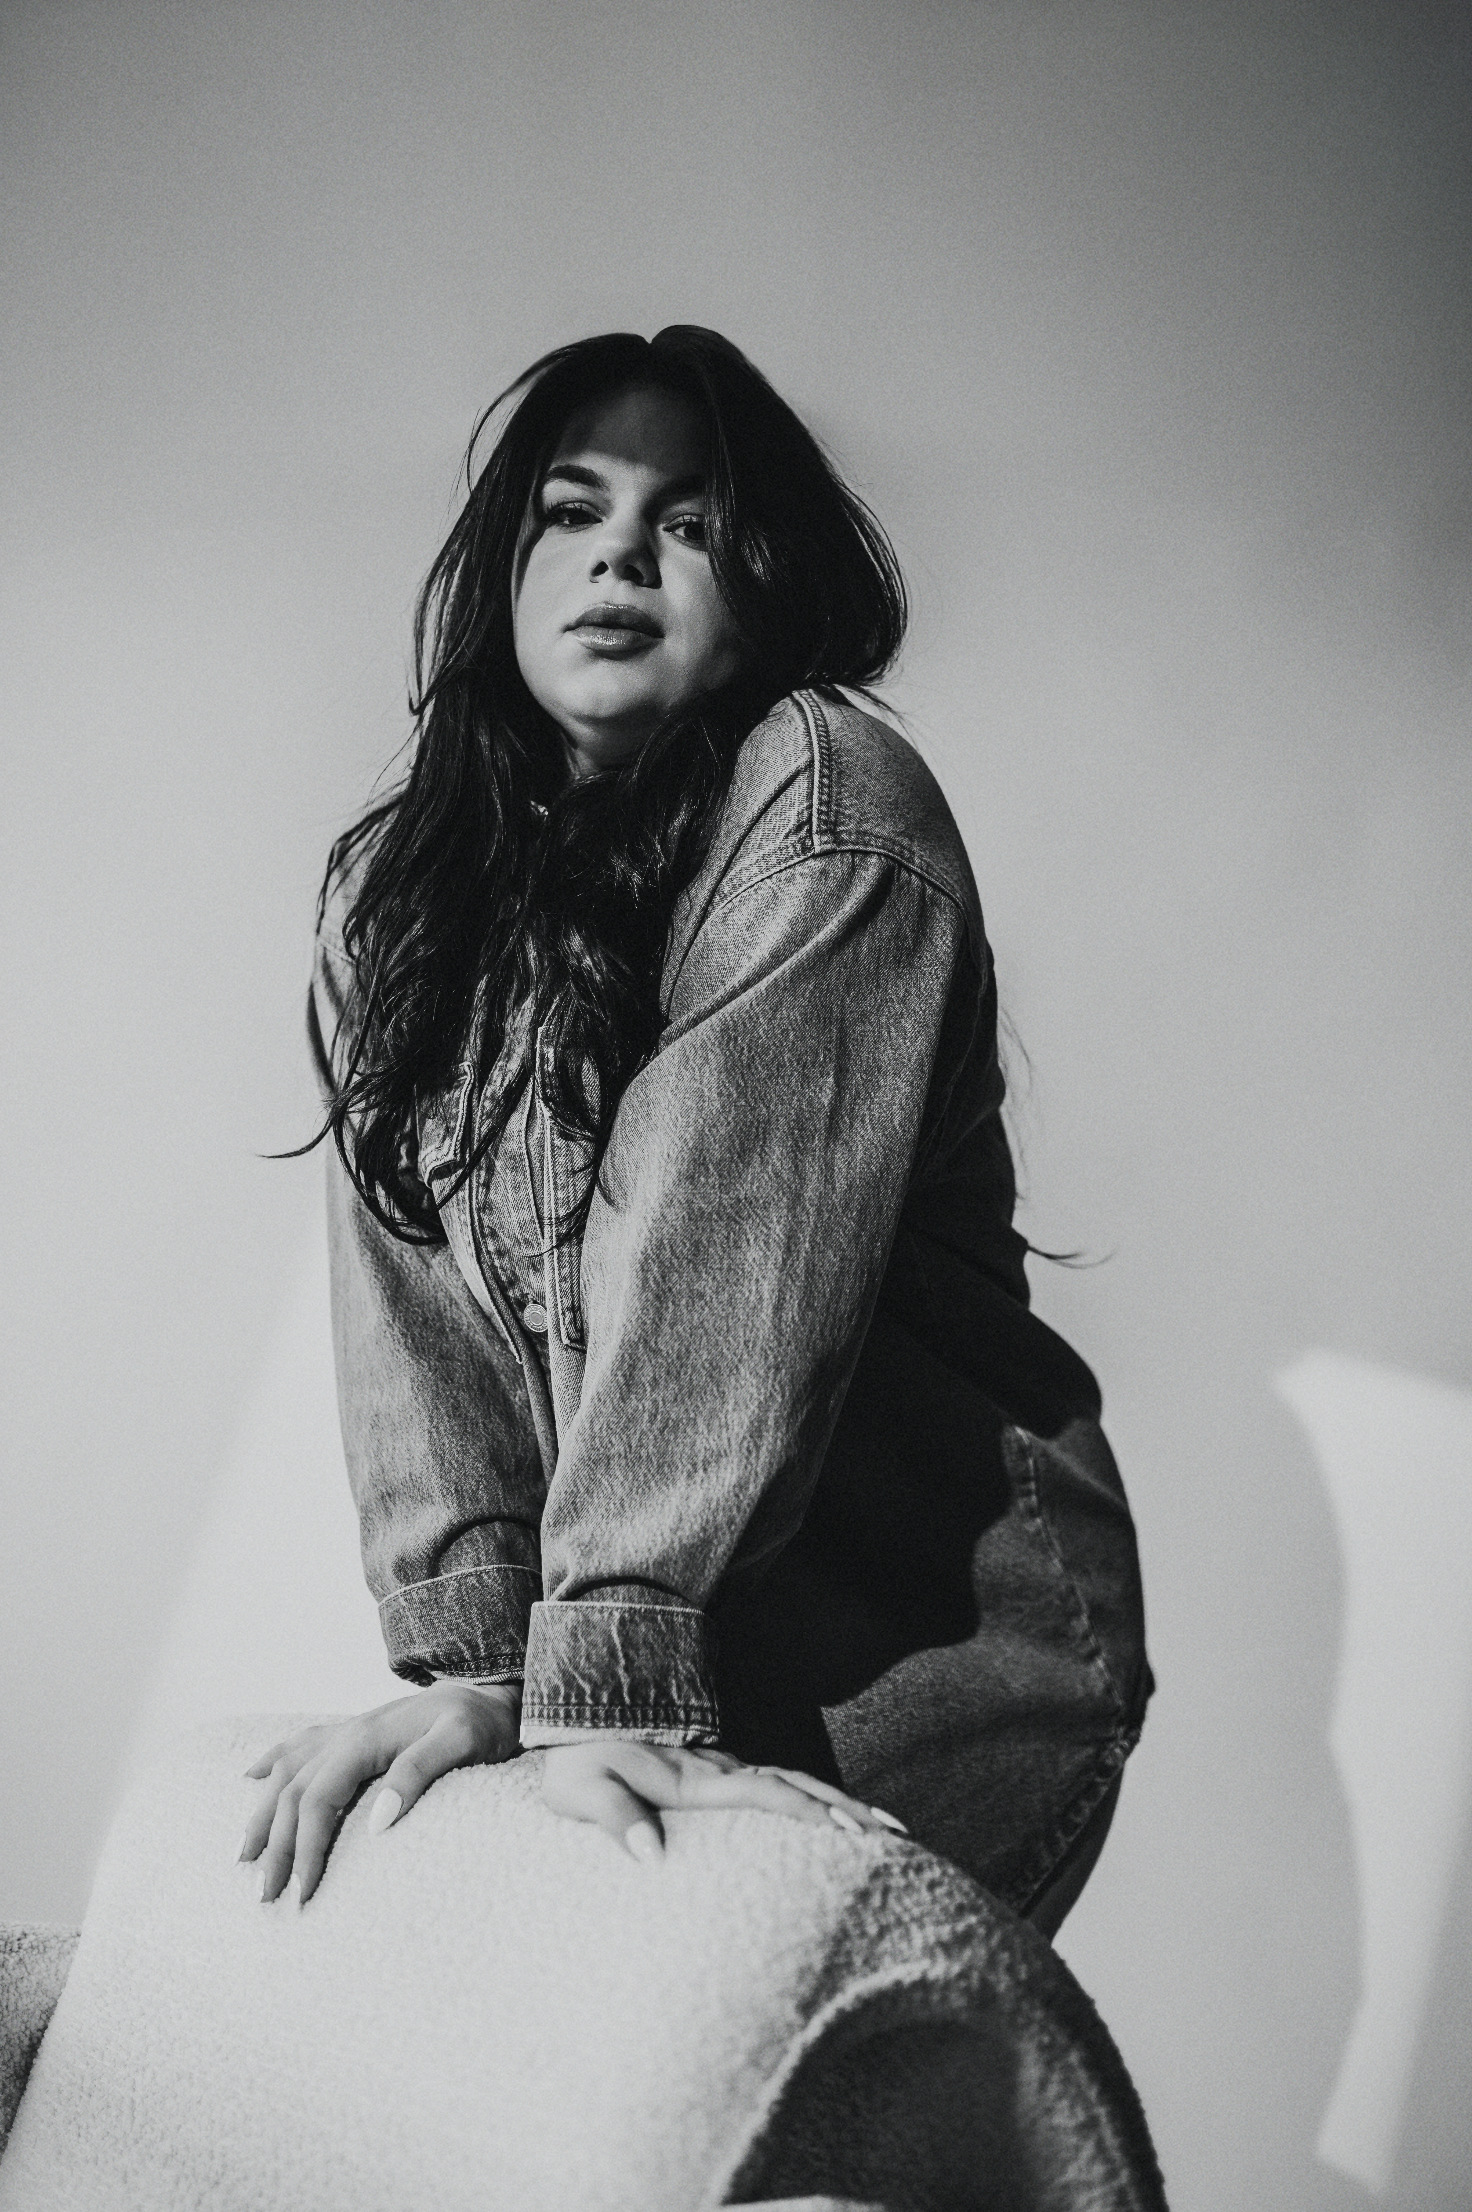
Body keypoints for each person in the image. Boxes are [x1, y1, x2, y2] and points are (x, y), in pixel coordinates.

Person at [239, 327, 1153, 1933]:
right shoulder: (407, 910)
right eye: (571, 509)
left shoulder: (824, 800)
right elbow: (415, 1332)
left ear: (764, 584)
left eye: (688, 520)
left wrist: (595, 1672)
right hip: (645, 1666)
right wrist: (480, 1671)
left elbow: (721, 1241)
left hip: (921, 1680)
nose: (620, 551)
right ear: (504, 572)